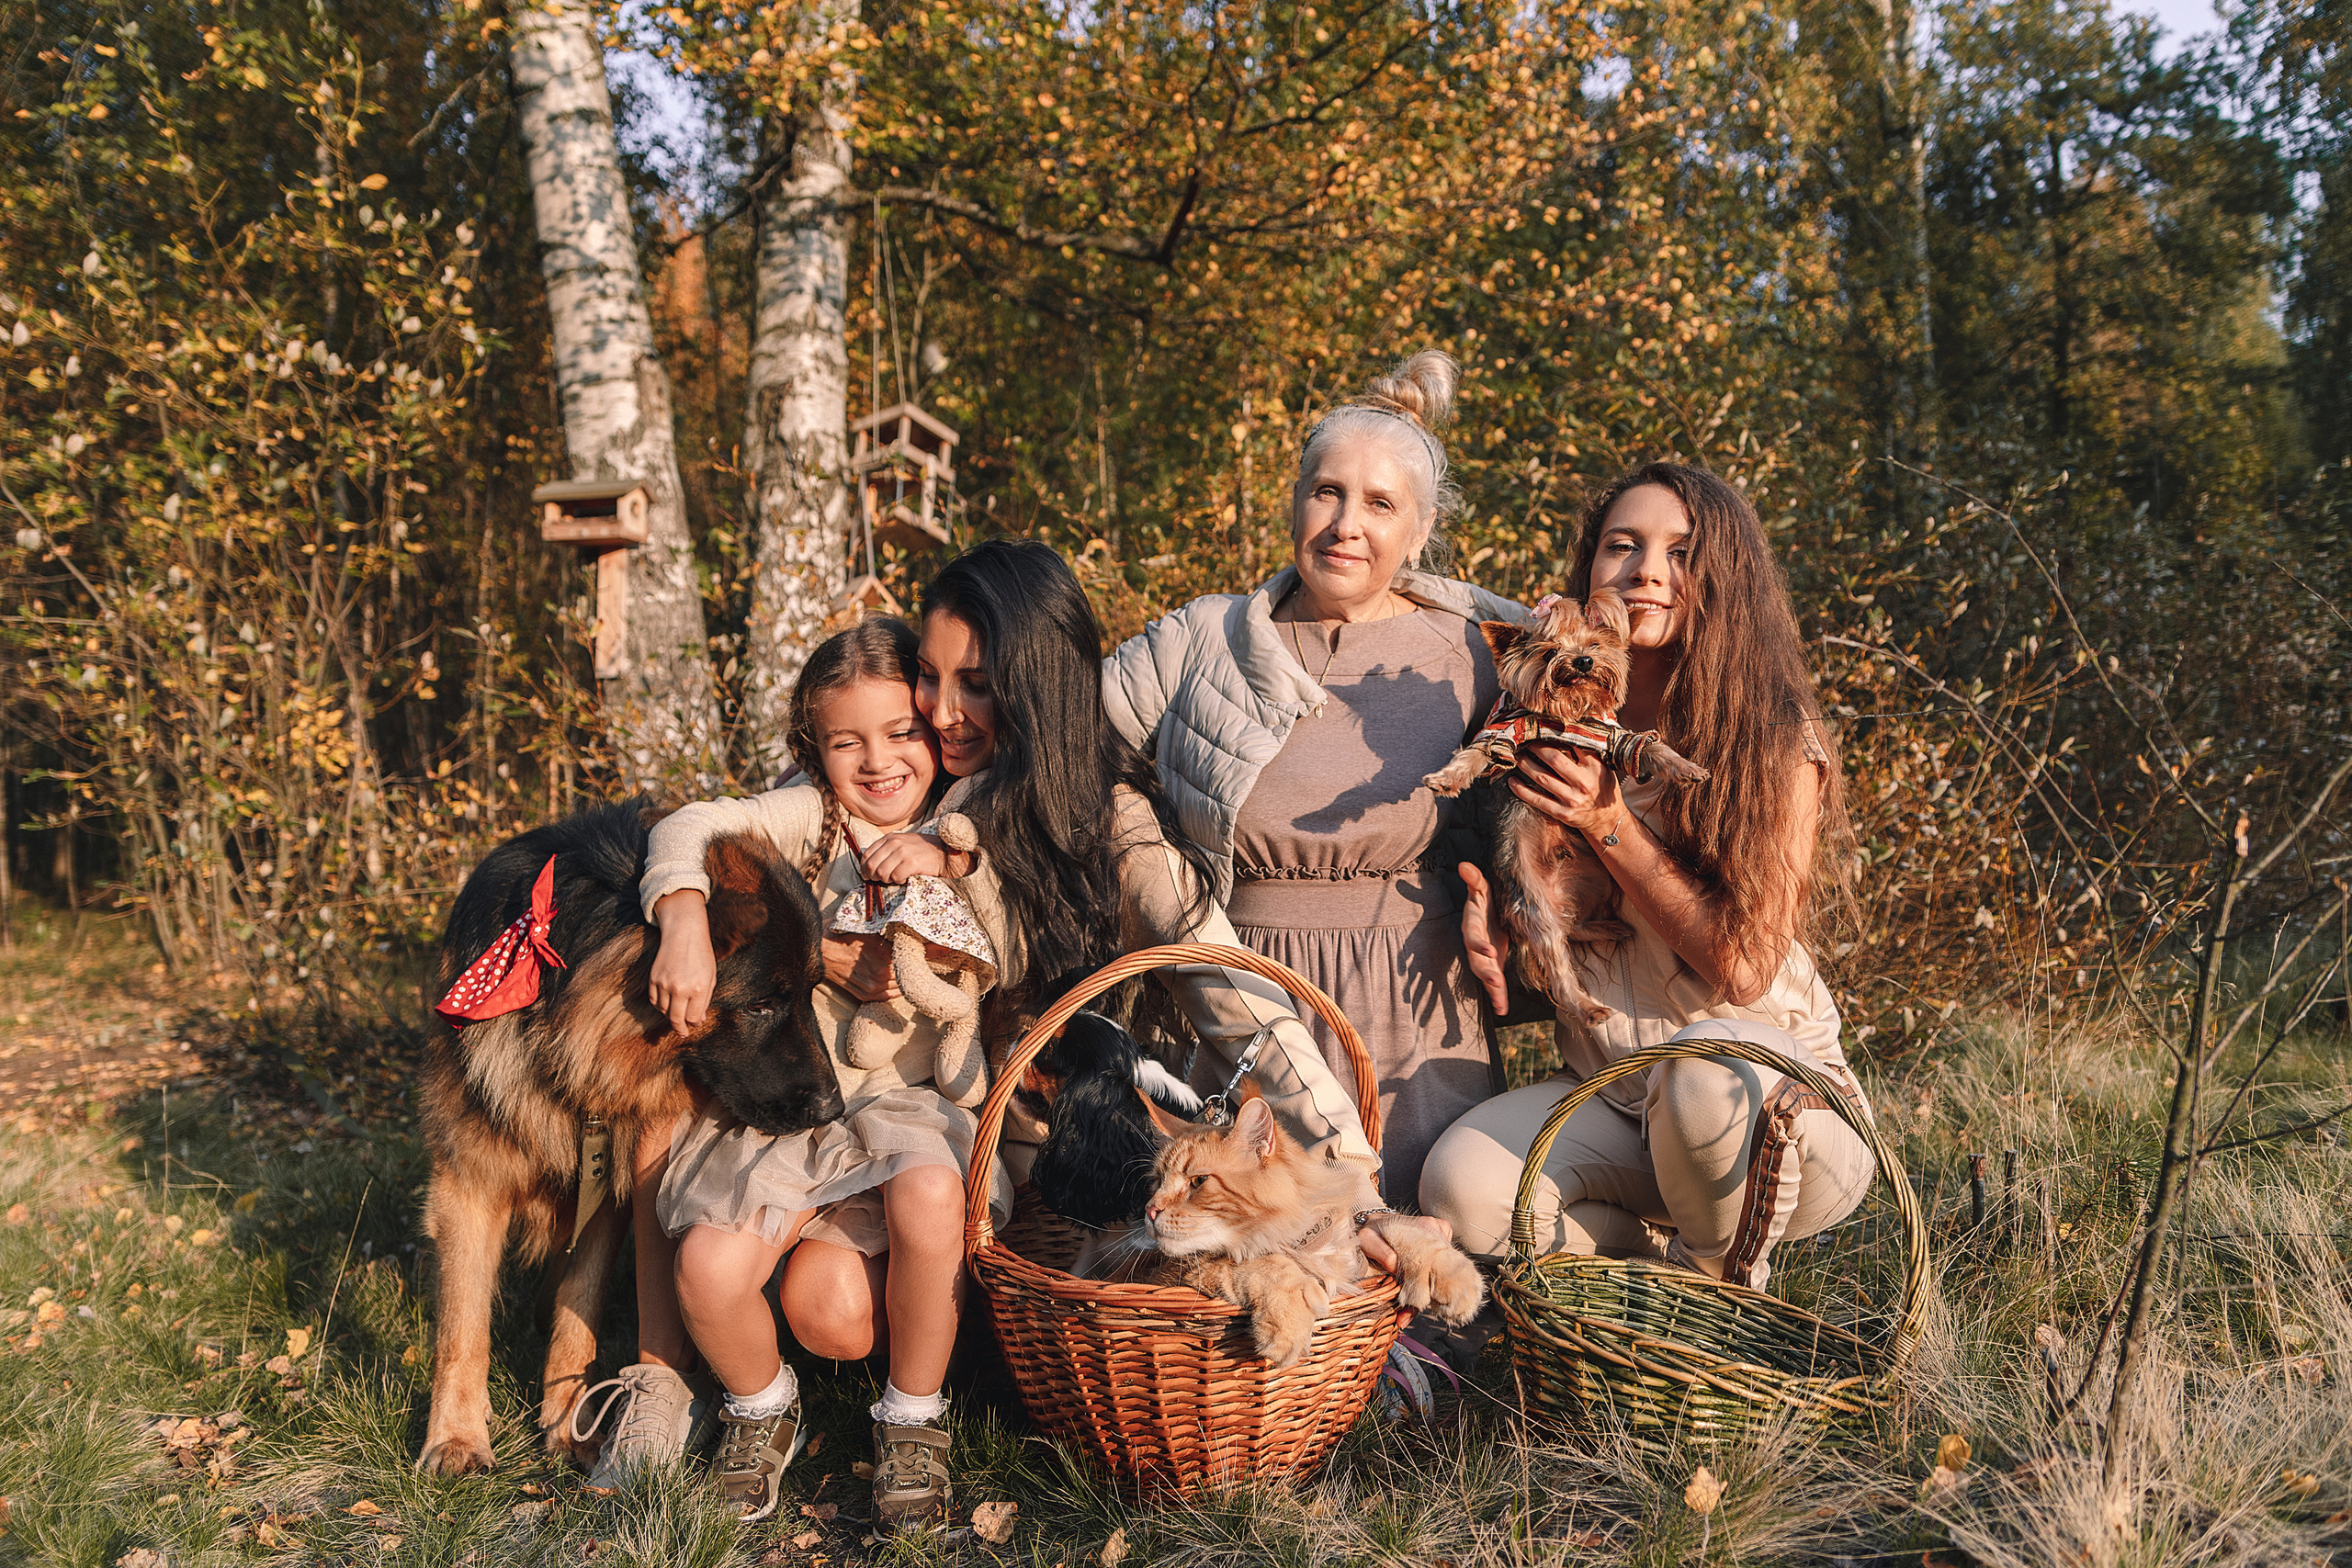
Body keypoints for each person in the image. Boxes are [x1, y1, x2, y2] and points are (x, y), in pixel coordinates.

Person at [573, 617, 1010, 1532]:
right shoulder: (811, 816)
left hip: (902, 1103)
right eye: (846, 742)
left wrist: (946, 859)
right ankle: (761, 1404)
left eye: (900, 732)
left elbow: (1006, 940)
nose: (878, 761)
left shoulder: (965, 820)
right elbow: (689, 824)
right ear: (814, 749)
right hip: (795, 1108)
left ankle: (913, 1418)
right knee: (707, 1264)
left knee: (933, 1192)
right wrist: (681, 916)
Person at [1419, 461, 1877, 1296]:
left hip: (1773, 1109)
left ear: (1726, 579)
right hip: (1620, 1095)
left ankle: (1717, 1295)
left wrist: (1610, 823)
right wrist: (1507, 943)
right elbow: (1595, 961)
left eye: (1681, 552)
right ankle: (1654, 1265)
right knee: (1462, 1191)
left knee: (1705, 1067)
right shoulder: (1542, 725)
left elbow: (1743, 967)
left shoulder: (1771, 740)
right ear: (1590, 572)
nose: (1647, 571)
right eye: (1621, 546)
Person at [1102, 351, 1529, 1203]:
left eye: (1380, 504)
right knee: (1251, 1249)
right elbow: (1059, 742)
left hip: (1417, 1001)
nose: (1345, 524)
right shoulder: (1204, 638)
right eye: (1327, 492)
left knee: (1422, 1239)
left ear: (1420, 529)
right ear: (1295, 499)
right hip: (1240, 1000)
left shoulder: (1478, 648)